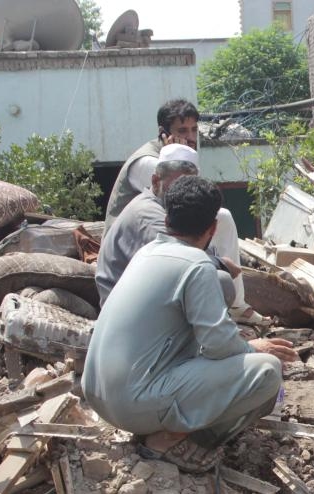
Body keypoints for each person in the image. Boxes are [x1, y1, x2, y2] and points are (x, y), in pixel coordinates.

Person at [82, 176, 299, 473]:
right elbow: (220, 345)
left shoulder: (147, 253)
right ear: (213, 228)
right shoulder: (196, 266)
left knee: (221, 285)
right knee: (267, 371)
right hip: (130, 405)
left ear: (168, 218)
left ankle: (162, 423)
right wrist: (252, 346)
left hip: (97, 394)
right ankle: (172, 442)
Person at [96, 144, 265, 324]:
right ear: (155, 181)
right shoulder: (148, 214)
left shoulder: (166, 210)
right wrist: (219, 263)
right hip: (126, 309)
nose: (181, 194)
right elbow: (179, 260)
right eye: (175, 187)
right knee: (219, 280)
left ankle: (235, 309)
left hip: (143, 300)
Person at [105, 99, 199, 229]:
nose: (191, 137)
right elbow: (188, 201)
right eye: (182, 131)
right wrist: (178, 155)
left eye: (194, 129)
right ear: (163, 132)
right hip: (130, 242)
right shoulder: (147, 161)